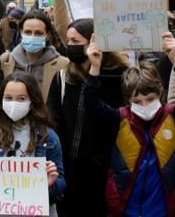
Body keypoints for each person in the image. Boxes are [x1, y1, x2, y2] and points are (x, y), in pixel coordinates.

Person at [83, 31, 175, 217]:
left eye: (150, 99)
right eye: (137, 101)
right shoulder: (119, 119)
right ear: (128, 100)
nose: (145, 105)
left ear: (160, 93)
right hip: (126, 209)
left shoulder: (173, 117)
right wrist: (95, 66)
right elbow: (91, 104)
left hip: (165, 209)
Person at [46, 17, 130, 216]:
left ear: (94, 42)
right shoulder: (62, 77)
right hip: (69, 166)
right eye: (69, 41)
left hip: (105, 168)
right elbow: (53, 119)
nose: (70, 46)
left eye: (76, 41)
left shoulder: (119, 76)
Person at [0, 72, 66, 213]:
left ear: (33, 100)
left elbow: (61, 182)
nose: (14, 103)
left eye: (21, 99)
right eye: (8, 98)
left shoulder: (48, 137)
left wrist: (50, 183)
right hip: (0, 210)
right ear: (1, 100)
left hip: (33, 210)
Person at [0, 9, 68, 98]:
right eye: (28, 32)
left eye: (38, 33)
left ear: (47, 35)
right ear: (21, 32)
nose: (32, 37)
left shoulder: (62, 64)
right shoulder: (5, 60)